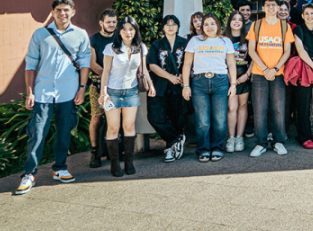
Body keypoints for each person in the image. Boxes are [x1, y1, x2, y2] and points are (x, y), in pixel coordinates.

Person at [15, 0, 91, 195]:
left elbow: (84, 63)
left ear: (73, 12)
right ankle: (29, 174)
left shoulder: (81, 35)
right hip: (43, 92)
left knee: (64, 131)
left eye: (66, 9)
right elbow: (31, 64)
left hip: (68, 92)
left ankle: (60, 168)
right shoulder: (40, 34)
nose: (62, 13)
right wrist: (30, 92)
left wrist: (82, 88)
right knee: (37, 133)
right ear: (53, 12)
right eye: (58, 10)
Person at [100, 16, 153, 177]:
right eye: (124, 29)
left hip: (131, 91)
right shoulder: (111, 48)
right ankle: (115, 164)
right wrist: (104, 92)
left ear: (135, 30)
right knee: (113, 127)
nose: (128, 32)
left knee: (129, 126)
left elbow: (143, 70)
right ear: (119, 31)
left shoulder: (141, 47)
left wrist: (151, 85)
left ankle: (129, 162)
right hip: (113, 92)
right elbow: (106, 71)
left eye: (131, 29)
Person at [182, 14, 236, 162]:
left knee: (219, 119)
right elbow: (187, 64)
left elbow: (231, 64)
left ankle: (218, 148)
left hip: (220, 81)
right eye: (206, 24)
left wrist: (233, 84)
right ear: (201, 26)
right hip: (199, 82)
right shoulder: (195, 41)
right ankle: (203, 149)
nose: (209, 27)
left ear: (218, 25)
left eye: (212, 24)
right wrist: (186, 85)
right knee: (202, 120)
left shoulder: (225, 41)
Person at [246, 0, 294, 157]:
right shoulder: (256, 25)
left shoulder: (284, 26)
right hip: (260, 74)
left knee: (278, 109)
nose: (271, 8)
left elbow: (287, 50)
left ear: (278, 7)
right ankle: (261, 143)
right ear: (264, 8)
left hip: (278, 73)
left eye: (274, 5)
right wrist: (265, 68)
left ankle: (279, 141)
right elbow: (251, 50)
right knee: (259, 109)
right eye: (268, 5)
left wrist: (275, 68)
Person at [147, 15, 188, 163]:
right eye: (167, 24)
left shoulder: (185, 43)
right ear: (163, 27)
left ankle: (171, 148)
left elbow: (189, 62)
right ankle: (176, 139)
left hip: (179, 87)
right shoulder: (156, 45)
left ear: (178, 27)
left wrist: (184, 76)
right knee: (155, 116)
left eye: (174, 24)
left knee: (176, 118)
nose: (170, 27)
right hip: (160, 85)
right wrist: (170, 77)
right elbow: (152, 65)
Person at [290, 4, 313, 149]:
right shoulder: (298, 29)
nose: (310, 16)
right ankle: (304, 136)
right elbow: (300, 50)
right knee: (303, 104)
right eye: (307, 14)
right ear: (303, 16)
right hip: (305, 67)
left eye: (312, 13)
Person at [87, 9, 117, 168]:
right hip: (98, 84)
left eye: (114, 22)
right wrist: (107, 74)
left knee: (116, 118)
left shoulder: (120, 37)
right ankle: (95, 152)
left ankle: (116, 151)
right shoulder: (94, 39)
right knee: (97, 117)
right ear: (101, 23)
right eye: (108, 22)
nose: (111, 25)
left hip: (118, 85)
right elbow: (92, 64)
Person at [224, 12, 252, 153]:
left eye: (239, 20)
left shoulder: (247, 38)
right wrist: (229, 75)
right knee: (232, 107)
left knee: (242, 106)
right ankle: (231, 137)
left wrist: (247, 74)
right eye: (234, 19)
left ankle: (240, 137)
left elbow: (253, 58)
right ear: (229, 22)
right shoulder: (223, 39)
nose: (237, 22)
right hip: (229, 77)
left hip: (243, 75)